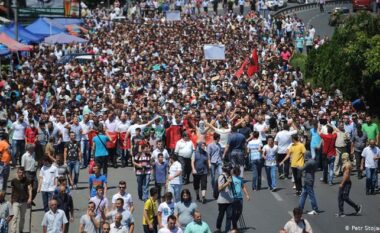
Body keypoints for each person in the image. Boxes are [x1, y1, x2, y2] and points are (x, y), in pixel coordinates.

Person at [337, 153, 362, 217]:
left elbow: (346, 175)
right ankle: (341, 212)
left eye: (343, 157)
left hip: (346, 183)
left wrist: (342, 183)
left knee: (345, 197)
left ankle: (357, 207)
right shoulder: (346, 163)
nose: (342, 158)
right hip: (345, 182)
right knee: (340, 197)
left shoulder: (347, 165)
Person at [9, 167, 32, 233]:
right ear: (17, 173)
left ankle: (21, 230)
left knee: (22, 217)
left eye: (22, 173)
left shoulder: (27, 180)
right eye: (19, 172)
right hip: (15, 201)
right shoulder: (13, 181)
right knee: (15, 217)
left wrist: (30, 198)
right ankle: (13, 231)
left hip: (24, 201)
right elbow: (12, 190)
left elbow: (29, 189)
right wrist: (11, 200)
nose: (21, 174)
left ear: (24, 173)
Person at [298, 150, 320, 215]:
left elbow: (301, 169)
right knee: (304, 194)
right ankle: (300, 208)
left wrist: (297, 167)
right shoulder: (313, 161)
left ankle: (315, 209)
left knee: (311, 195)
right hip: (311, 178)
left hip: (307, 180)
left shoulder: (308, 162)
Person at [230, 166, 250, 231]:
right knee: (234, 212)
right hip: (234, 198)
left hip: (240, 198)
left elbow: (243, 187)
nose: (239, 173)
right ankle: (234, 227)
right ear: (236, 172)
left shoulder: (240, 179)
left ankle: (234, 222)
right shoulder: (231, 179)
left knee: (239, 212)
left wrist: (247, 195)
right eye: (238, 172)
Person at [215, 163, 233, 233]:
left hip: (230, 200)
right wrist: (227, 182)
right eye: (231, 169)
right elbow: (219, 188)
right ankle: (218, 228)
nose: (232, 170)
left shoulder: (230, 176)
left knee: (229, 216)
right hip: (222, 201)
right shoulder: (221, 177)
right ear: (228, 170)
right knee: (221, 215)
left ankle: (227, 230)